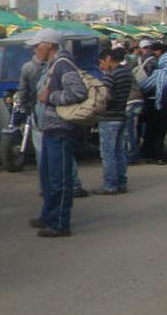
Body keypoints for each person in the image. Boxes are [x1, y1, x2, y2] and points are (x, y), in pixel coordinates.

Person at [28, 28, 87, 238]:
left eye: (38, 45)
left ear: (49, 46)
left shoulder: (63, 64)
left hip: (61, 130)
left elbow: (78, 92)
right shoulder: (53, 65)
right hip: (51, 129)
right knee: (47, 177)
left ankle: (60, 223)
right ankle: (48, 215)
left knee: (59, 179)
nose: (35, 49)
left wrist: (50, 97)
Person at [93, 47, 133, 195]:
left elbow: (107, 97)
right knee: (119, 152)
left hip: (109, 118)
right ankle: (122, 183)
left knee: (108, 153)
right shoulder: (126, 72)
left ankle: (110, 185)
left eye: (101, 62)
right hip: (122, 115)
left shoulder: (110, 75)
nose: (101, 66)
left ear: (108, 59)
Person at [138, 53, 167, 165]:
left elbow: (144, 86)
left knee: (159, 133)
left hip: (161, 107)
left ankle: (159, 157)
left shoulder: (159, 73)